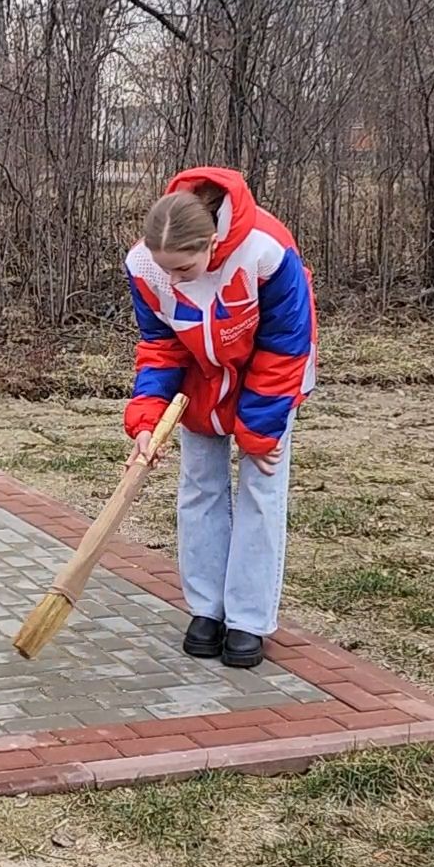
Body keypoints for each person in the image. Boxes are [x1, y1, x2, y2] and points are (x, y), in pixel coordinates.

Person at [125, 168, 315, 670]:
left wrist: (260, 430)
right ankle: (207, 610)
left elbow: (286, 343)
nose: (173, 280)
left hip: (272, 380)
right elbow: (160, 347)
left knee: (261, 487)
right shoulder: (145, 266)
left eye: (184, 269)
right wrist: (146, 420)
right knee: (199, 486)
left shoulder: (267, 251)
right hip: (203, 381)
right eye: (166, 269)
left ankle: (249, 620)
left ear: (212, 243)